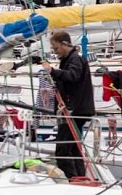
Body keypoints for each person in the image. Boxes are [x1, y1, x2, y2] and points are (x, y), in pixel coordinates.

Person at [42, 31, 95, 180]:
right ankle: (80, 178)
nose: (55, 52)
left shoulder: (75, 59)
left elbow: (73, 76)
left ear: (65, 44)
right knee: (73, 148)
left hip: (74, 110)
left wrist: (52, 71)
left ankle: (72, 179)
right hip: (76, 109)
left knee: (63, 148)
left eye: (56, 48)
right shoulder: (69, 59)